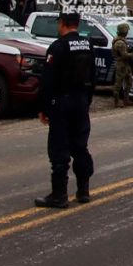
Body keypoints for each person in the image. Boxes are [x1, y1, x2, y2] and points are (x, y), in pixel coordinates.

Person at [34, 11, 95, 208]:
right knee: (80, 146)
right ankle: (83, 191)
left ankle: (59, 195)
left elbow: (47, 80)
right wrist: (87, 101)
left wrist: (43, 107)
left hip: (62, 102)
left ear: (62, 23)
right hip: (81, 102)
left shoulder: (58, 47)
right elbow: (93, 77)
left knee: (59, 149)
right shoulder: (88, 45)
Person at [111, 23, 133, 108]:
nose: (127, 32)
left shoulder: (122, 40)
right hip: (121, 64)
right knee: (118, 84)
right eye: (127, 30)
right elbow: (124, 55)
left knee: (129, 82)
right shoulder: (120, 43)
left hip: (125, 64)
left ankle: (126, 100)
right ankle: (116, 102)